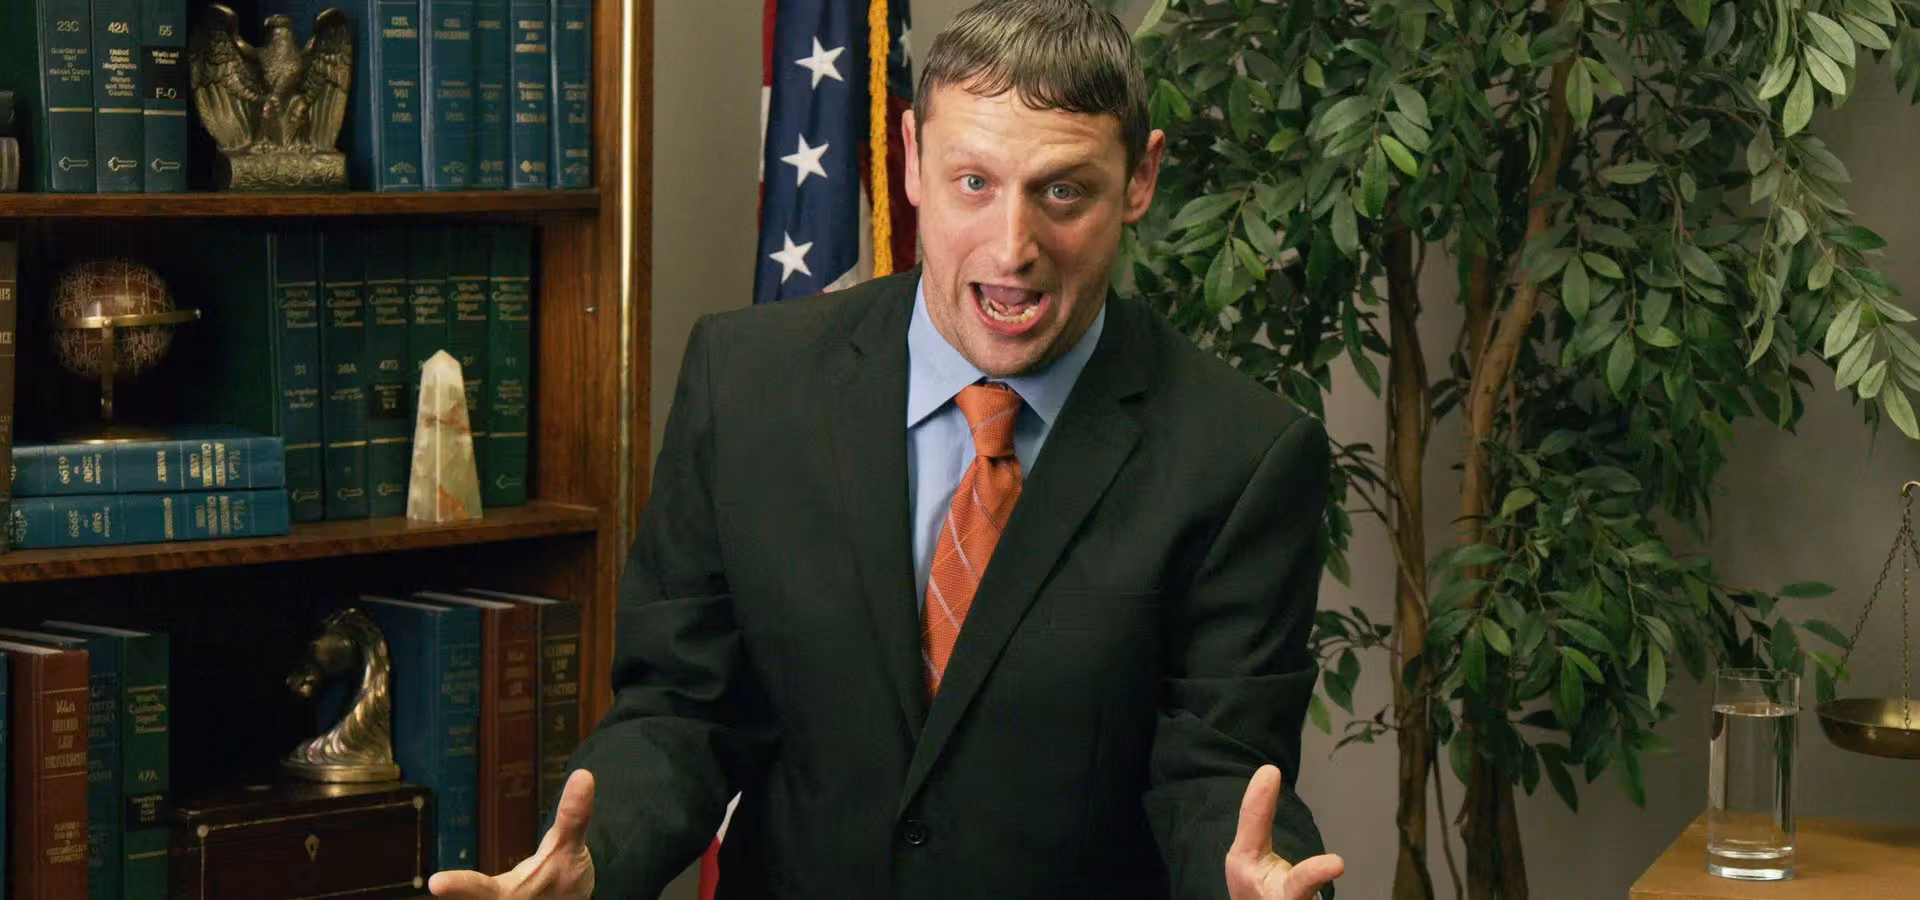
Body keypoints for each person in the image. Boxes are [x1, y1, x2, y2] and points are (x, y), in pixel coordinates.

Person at [428, 1, 1344, 897]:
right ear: (910, 157)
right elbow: (680, 709)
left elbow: (1221, 771)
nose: (1013, 248)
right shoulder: (744, 385)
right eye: (973, 183)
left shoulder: (1243, 455)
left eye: (1062, 191)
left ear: (1140, 180)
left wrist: (1253, 883)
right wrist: (598, 865)